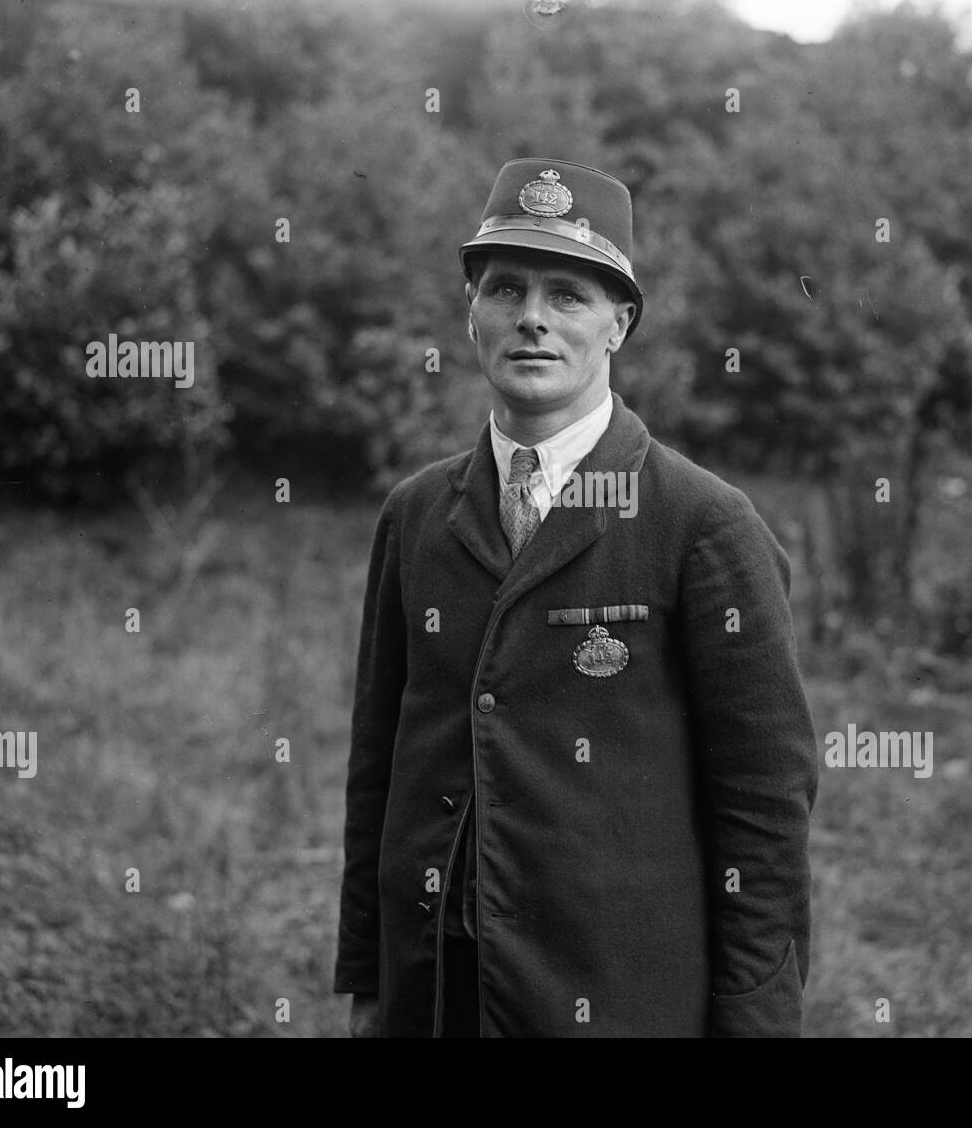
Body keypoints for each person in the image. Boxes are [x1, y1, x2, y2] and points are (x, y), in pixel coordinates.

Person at [333, 157, 818, 1037]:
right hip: (437, 989)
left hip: (621, 996)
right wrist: (371, 979)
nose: (532, 320)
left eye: (569, 296)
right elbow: (379, 767)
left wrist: (754, 1021)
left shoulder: (702, 523)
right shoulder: (415, 515)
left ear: (619, 324)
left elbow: (764, 805)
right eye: (506, 288)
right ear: (471, 312)